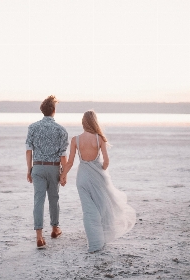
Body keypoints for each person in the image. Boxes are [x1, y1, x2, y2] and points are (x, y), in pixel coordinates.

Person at [60, 110, 136, 253]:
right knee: (102, 208)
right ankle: (100, 241)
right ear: (94, 122)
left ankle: (94, 244)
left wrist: (63, 175)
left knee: (88, 211)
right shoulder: (99, 138)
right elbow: (106, 162)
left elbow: (70, 162)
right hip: (98, 178)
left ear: (83, 123)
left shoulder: (75, 139)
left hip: (82, 178)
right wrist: (99, 169)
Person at [25, 95, 69, 249]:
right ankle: (55, 229)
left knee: (38, 200)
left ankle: (39, 236)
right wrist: (64, 174)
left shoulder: (32, 127)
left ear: (42, 110)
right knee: (53, 199)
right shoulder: (61, 130)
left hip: (37, 167)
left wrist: (29, 169)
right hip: (53, 167)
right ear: (54, 111)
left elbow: (29, 151)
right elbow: (63, 156)